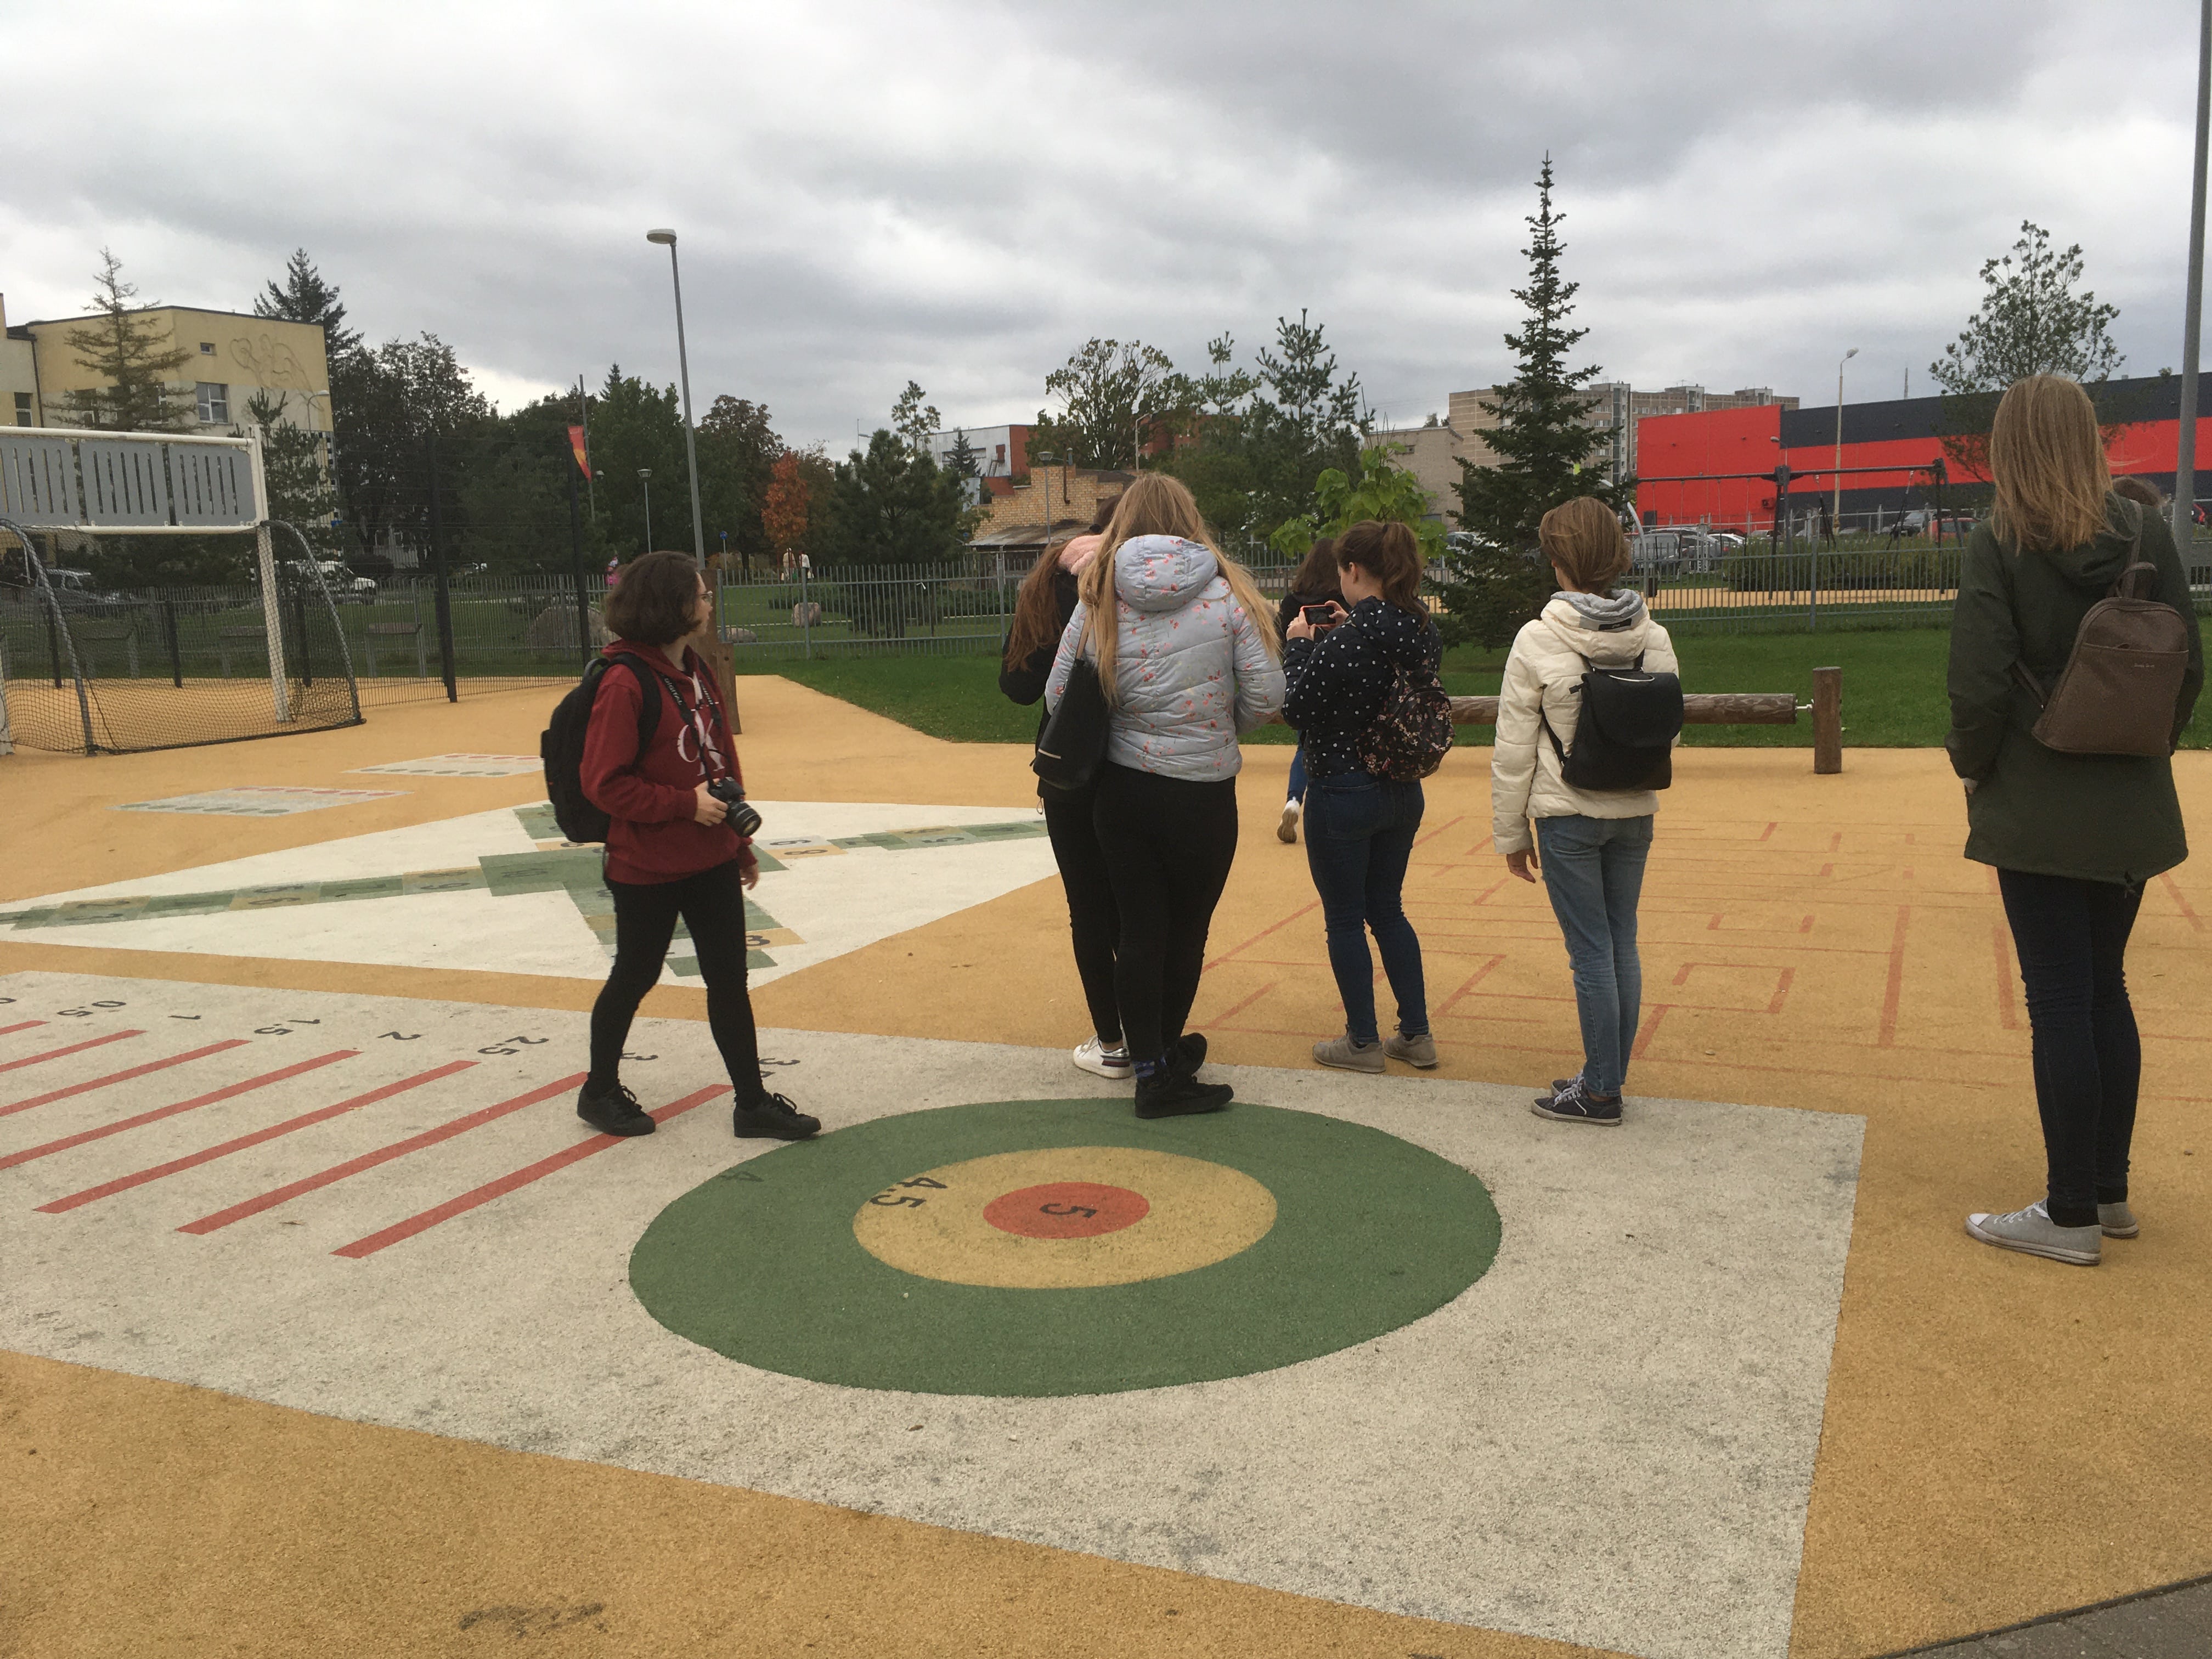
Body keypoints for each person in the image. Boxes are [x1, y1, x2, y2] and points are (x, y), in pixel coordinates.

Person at [1948, 375, 2203, 1266]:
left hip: (2036, 793)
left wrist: (1975, 767)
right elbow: (2187, 661)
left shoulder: (1999, 541)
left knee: (2057, 996)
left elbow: (1979, 682)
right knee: (2103, 989)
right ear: (2089, 437)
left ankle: (2067, 1214)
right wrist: (2145, 741)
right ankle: (2106, 1188)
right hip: (2129, 798)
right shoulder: (2144, 531)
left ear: (2010, 444)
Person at [1045, 473, 1285, 1118]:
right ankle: (1164, 1066)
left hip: (1123, 789)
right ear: (1189, 519)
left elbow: (1056, 694)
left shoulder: (1099, 594)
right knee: (1187, 931)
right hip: (1202, 791)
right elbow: (1268, 695)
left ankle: (1148, 1062)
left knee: (1139, 929)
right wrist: (1215, 727)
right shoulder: (1229, 595)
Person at [577, 550, 820, 1142]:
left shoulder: (696, 669)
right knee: (636, 975)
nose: (710, 603)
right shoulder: (625, 682)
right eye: (702, 595)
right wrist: (684, 805)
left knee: (729, 980)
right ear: (672, 606)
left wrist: (738, 841)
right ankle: (599, 1090)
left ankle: (752, 1104)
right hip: (646, 864)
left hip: (709, 855)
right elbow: (604, 784)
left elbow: (720, 761)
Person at [1493, 497, 1680, 1127]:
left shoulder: (1538, 638)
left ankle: (1600, 1093)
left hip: (1567, 813)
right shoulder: (1653, 636)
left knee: (1591, 953)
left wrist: (1511, 834)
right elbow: (1668, 730)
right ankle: (1605, 1077)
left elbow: (1514, 749)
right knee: (1621, 942)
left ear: (1560, 561)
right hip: (1635, 810)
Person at [1282, 520, 1438, 1073]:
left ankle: (1362, 1042)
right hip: (1403, 786)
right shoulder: (1421, 629)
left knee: (1345, 918)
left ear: (1352, 571)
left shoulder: (1347, 641)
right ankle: (1416, 1034)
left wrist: (1298, 649)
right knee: (1388, 910)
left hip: (1343, 788)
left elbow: (1297, 709)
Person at [1001, 524, 1126, 1080]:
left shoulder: (1046, 593)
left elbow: (1019, 686)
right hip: (1133, 764)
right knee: (1136, 905)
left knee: (1088, 908)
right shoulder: (1132, 586)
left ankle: (1113, 1039)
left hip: (1069, 765)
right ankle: (1151, 1031)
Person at [1273, 538, 1343, 845]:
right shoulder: (1340, 601)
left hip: (1302, 673)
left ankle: (1293, 800)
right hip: (1338, 675)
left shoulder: (1293, 601)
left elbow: (1280, 638)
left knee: (1305, 743)